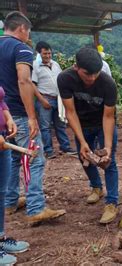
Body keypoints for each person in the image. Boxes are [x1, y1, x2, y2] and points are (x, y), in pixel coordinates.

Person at [0, 11, 66, 224]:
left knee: (14, 158)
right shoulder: (21, 48)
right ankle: (36, 207)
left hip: (3, 113)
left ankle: (10, 201)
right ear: (21, 28)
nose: (28, 36)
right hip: (17, 112)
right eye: (28, 31)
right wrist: (31, 116)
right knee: (34, 157)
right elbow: (24, 81)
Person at [57, 47, 119, 224]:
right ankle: (96, 187)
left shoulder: (108, 84)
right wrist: (83, 141)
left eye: (96, 74)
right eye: (87, 74)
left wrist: (107, 147)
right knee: (84, 156)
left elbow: (108, 116)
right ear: (76, 67)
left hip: (102, 123)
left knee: (109, 161)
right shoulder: (65, 78)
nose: (91, 78)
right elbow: (70, 112)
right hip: (81, 123)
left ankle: (112, 202)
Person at [0, 86, 30, 265]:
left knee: (1, 192)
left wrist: (8, 117)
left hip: (3, 140)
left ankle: (1, 238)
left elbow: (1, 99)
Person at [32, 41, 76, 159]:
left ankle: (65, 147)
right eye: (45, 53)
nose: (47, 56)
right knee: (45, 127)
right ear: (38, 53)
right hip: (45, 99)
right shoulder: (35, 66)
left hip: (58, 99)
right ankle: (48, 150)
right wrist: (41, 100)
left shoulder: (55, 64)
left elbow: (61, 79)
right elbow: (32, 85)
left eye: (49, 53)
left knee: (60, 124)